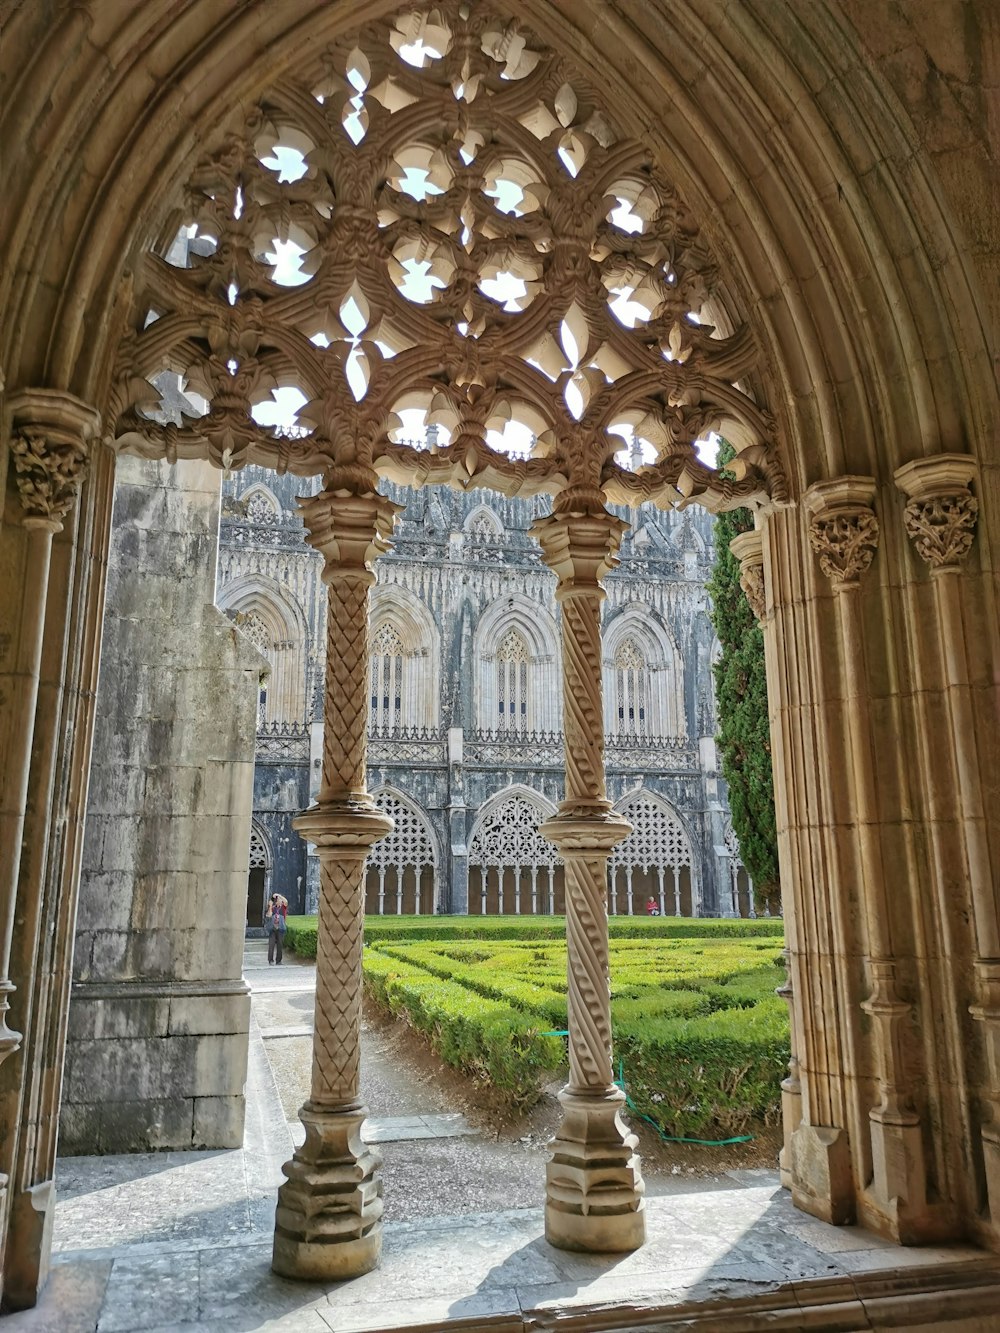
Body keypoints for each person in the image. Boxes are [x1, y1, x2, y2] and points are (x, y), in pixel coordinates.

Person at [265, 892, 288, 964]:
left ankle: (279, 960)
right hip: (273, 928)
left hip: (280, 928)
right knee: (271, 945)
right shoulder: (273, 908)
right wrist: (272, 897)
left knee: (280, 945)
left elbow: (286, 902)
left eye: (280, 900)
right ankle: (270, 960)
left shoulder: (283, 908)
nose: (279, 901)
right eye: (278, 900)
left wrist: (279, 895)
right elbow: (269, 911)